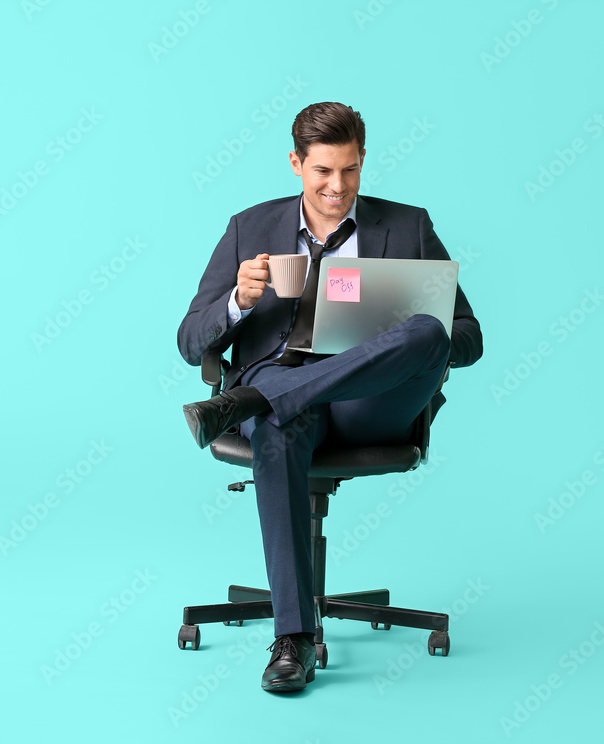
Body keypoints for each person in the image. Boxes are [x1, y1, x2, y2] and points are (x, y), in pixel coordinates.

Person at [177, 102, 482, 692]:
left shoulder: (408, 226)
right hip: (286, 413)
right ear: (296, 164)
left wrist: (398, 311)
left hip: (369, 404)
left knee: (427, 329)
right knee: (278, 421)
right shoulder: (248, 227)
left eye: (349, 170)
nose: (336, 187)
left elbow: (467, 337)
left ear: (362, 161)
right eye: (322, 172)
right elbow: (191, 342)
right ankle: (294, 640)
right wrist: (238, 302)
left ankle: (256, 399)